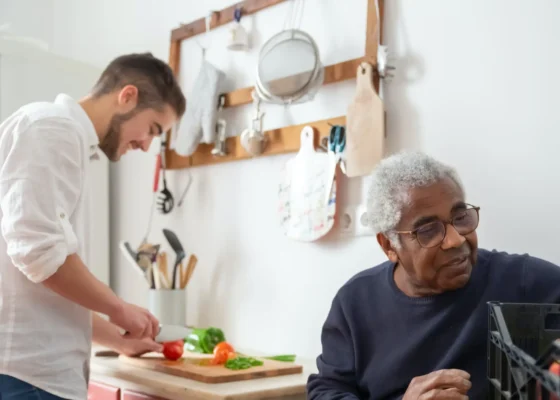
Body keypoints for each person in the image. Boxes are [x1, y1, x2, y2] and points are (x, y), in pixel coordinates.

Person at [0, 53, 186, 400]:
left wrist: (115, 338)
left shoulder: (66, 139)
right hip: (26, 378)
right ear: (127, 95)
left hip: (34, 377)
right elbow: (39, 254)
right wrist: (118, 308)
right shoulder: (51, 129)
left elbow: (42, 285)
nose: (146, 145)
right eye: (152, 129)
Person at [307, 151, 560, 400]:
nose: (455, 239)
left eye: (460, 217)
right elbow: (327, 391)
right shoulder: (356, 304)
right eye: (428, 230)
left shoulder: (521, 282)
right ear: (389, 246)